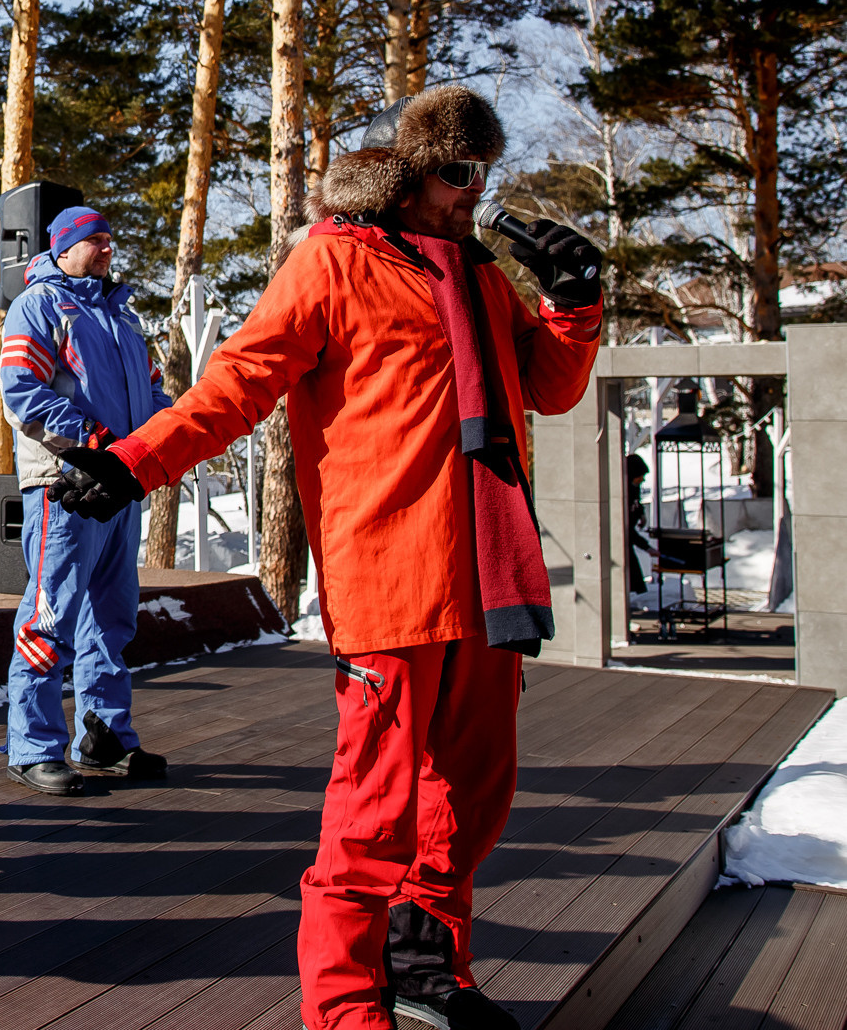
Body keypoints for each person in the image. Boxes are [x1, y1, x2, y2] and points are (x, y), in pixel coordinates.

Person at [51, 86, 603, 1030]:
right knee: (374, 808)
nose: (475, 192)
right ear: (411, 174)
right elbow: (237, 382)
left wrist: (575, 303)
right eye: (458, 175)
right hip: (390, 573)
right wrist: (131, 462)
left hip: (489, 579)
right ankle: (344, 1006)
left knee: (470, 800)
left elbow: (550, 390)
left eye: (484, 173)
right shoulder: (334, 261)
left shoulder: (480, 273)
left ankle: (426, 969)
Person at [0, 205, 174, 796]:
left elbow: (151, 391)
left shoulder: (122, 315)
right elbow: (22, 392)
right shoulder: (41, 305)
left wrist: (170, 432)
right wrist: (95, 444)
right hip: (65, 485)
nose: (106, 248)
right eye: (94, 239)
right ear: (63, 247)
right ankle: (33, 746)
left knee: (112, 617)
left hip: (122, 484)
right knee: (52, 615)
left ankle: (103, 736)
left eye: (109, 238)